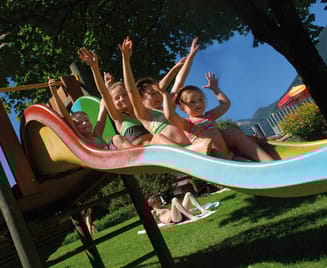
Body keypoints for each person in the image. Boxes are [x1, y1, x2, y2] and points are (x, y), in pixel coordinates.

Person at [119, 36, 212, 153]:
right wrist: (126, 60)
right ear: (141, 98)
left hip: (189, 146)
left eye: (158, 93)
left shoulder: (168, 107)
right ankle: (191, 151)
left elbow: (179, 81)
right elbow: (131, 91)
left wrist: (190, 57)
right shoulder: (143, 113)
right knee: (157, 138)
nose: (158, 96)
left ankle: (196, 150)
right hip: (173, 153)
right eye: (152, 93)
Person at [159, 72, 274, 161]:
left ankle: (268, 162)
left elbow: (225, 104)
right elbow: (170, 116)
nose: (198, 103)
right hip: (215, 161)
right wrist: (165, 96)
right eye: (192, 102)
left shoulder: (209, 116)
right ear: (182, 108)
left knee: (232, 133)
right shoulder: (187, 124)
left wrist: (215, 89)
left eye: (200, 99)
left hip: (229, 157)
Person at [48, 77, 133, 150]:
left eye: (86, 120)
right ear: (74, 127)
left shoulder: (97, 134)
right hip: (103, 162)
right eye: (78, 123)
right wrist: (54, 93)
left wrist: (107, 87)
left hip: (114, 155)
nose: (84, 123)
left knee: (117, 138)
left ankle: (137, 152)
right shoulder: (81, 139)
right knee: (116, 138)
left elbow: (102, 109)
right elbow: (65, 114)